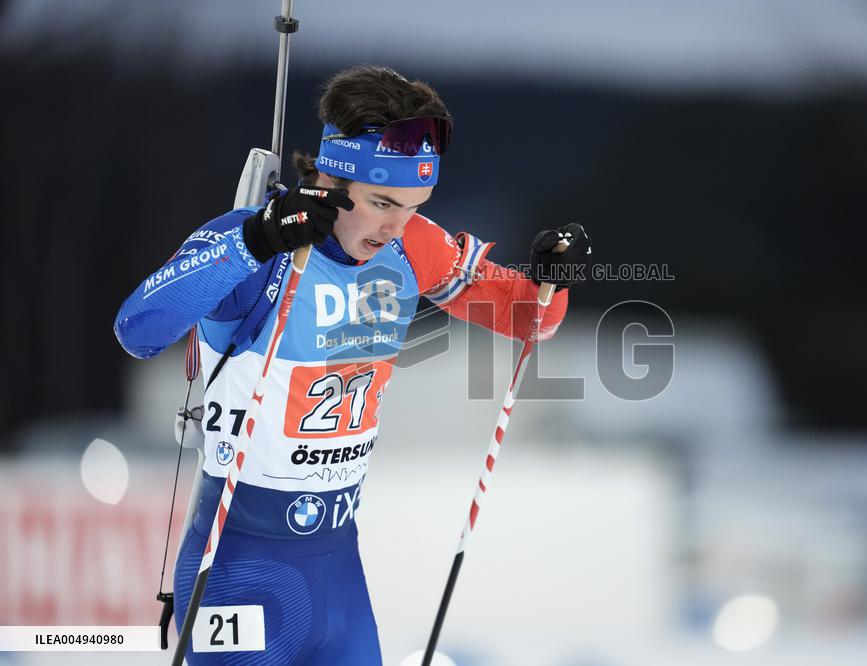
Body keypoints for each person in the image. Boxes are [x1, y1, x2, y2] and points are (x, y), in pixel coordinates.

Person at [114, 64, 591, 665]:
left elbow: (529, 320)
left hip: (337, 567)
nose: (396, 226)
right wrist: (255, 241)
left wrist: (552, 281)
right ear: (332, 180)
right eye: (382, 202)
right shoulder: (257, 240)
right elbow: (138, 330)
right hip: (239, 568)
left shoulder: (411, 244)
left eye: (414, 206)